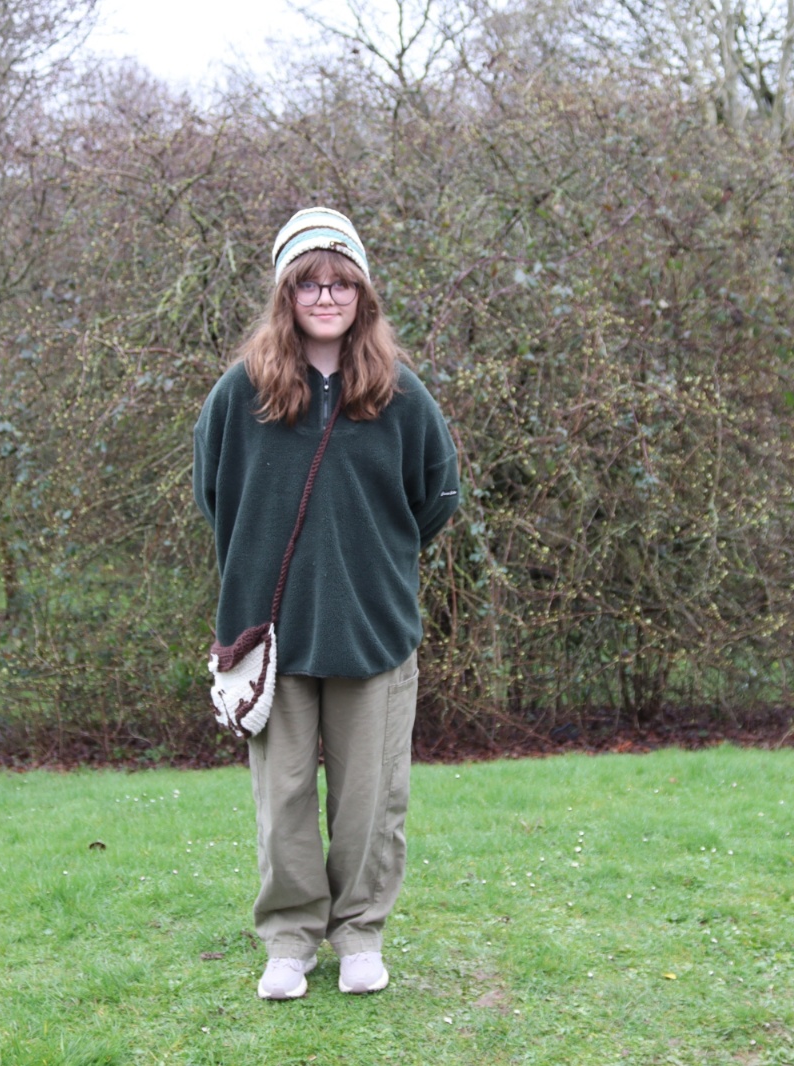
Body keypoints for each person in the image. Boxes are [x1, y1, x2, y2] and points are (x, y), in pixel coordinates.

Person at [193, 207, 460, 1000]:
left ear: (361, 292)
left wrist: (369, 564)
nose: (325, 296)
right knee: (281, 799)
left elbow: (437, 496)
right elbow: (214, 496)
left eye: (341, 282)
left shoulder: (399, 394)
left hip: (371, 627)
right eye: (309, 282)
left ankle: (360, 936)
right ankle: (289, 942)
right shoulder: (240, 395)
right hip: (268, 632)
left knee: (369, 799)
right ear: (285, 292)